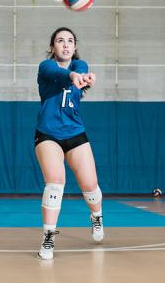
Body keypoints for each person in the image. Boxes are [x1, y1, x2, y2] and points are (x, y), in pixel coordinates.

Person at [35, 27, 104, 260]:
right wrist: (74, 78)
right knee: (55, 182)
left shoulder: (80, 65)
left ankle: (96, 217)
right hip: (48, 133)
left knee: (90, 186)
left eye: (70, 41)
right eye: (60, 41)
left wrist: (84, 78)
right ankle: (48, 237)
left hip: (75, 132)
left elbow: (81, 71)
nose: (65, 44)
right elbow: (62, 73)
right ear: (52, 47)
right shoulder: (46, 67)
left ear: (74, 47)